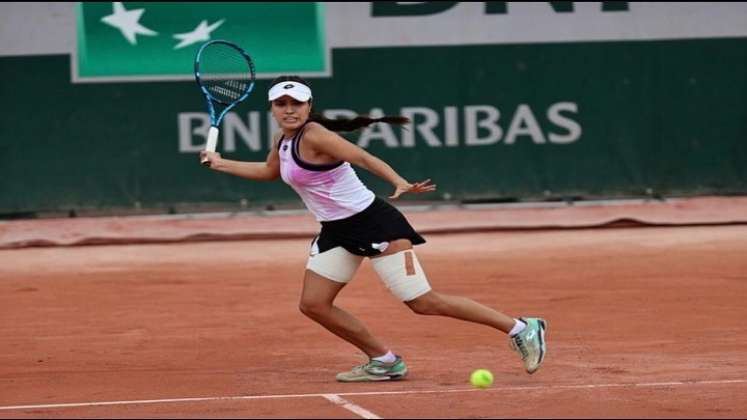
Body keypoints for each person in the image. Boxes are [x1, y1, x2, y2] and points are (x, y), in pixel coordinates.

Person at [200, 76, 548, 382]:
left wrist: (399, 181)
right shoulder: (282, 140)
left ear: (309, 107)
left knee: (423, 302)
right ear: (272, 108)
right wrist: (221, 163)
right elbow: (268, 171)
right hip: (336, 231)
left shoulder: (317, 135)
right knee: (314, 304)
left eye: (296, 103)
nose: (289, 110)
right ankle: (385, 361)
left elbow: (363, 158)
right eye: (281, 104)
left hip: (374, 223)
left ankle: (521, 328)